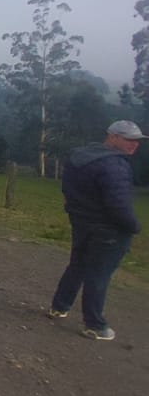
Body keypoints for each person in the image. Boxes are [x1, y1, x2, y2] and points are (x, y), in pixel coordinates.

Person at [47, 120, 146, 340]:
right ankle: (94, 324)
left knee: (78, 266)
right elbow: (118, 204)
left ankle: (59, 306)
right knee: (98, 276)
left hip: (82, 223)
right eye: (128, 139)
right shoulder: (115, 165)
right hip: (110, 231)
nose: (134, 145)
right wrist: (134, 226)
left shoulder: (79, 158)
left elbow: (67, 189)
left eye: (136, 141)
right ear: (112, 137)